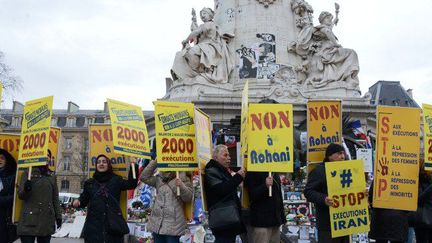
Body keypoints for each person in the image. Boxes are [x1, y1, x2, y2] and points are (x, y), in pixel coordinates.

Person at [72, 154, 138, 243]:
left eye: (104, 162)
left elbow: (132, 184)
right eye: (98, 162)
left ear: (108, 165)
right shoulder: (90, 183)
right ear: (96, 166)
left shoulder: (116, 180)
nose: (101, 164)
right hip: (93, 228)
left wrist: (133, 165)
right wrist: (77, 201)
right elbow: (83, 200)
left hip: (113, 227)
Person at [171, 7, 235, 84]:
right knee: (185, 53)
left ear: (210, 15)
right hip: (205, 46)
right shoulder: (205, 25)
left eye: (204, 14)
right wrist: (194, 20)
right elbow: (196, 31)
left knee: (191, 52)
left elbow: (195, 32)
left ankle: (200, 71)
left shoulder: (209, 24)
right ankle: (196, 72)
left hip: (209, 46)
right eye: (201, 15)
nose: (202, 16)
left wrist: (186, 40)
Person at [303, 143, 350, 243]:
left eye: (343, 154)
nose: (342, 156)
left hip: (346, 223)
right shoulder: (319, 171)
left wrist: (362, 194)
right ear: (330, 155)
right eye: (339, 153)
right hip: (327, 224)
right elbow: (308, 192)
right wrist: (324, 199)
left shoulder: (347, 170)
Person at [140, 160, 193, 243]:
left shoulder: (183, 178)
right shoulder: (159, 179)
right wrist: (155, 161)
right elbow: (144, 177)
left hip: (173, 225)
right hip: (157, 224)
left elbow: (188, 198)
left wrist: (181, 186)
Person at [17, 151, 62, 243]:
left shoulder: (52, 176)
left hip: (46, 221)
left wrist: (58, 216)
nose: (46, 157)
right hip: (29, 221)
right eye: (44, 154)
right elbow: (21, 196)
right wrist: (26, 189)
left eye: (48, 155)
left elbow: (55, 198)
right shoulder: (27, 173)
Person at [204, 144, 246, 243]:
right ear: (215, 157)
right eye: (225, 155)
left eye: (229, 156)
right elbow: (222, 190)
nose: (229, 158)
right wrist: (238, 177)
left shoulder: (221, 170)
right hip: (222, 219)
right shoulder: (212, 171)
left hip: (227, 219)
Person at [244, 171, 286, 243]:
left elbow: (279, 196)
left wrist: (282, 217)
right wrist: (265, 185)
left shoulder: (274, 172)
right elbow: (251, 195)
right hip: (261, 222)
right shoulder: (253, 172)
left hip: (275, 221)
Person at [411, 161, 432, 242]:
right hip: (423, 219)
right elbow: (418, 199)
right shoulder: (417, 182)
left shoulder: (416, 182)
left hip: (420, 219)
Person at [0, 149, 17, 243]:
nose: (0, 160)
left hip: (5, 218)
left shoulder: (12, 177)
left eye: (2, 158)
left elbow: (15, 197)